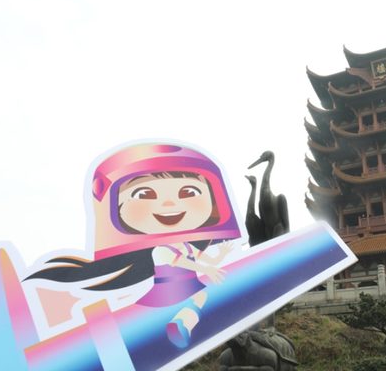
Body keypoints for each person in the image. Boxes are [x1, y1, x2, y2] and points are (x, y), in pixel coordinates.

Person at [27, 142, 242, 348]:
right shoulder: (161, 250)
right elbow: (181, 262)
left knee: (203, 298)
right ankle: (181, 325)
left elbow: (206, 259)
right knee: (199, 299)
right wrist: (207, 269)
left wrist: (220, 255)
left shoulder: (186, 245)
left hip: (189, 287)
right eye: (145, 194)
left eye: (189, 192)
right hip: (168, 292)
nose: (169, 204)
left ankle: (182, 325)